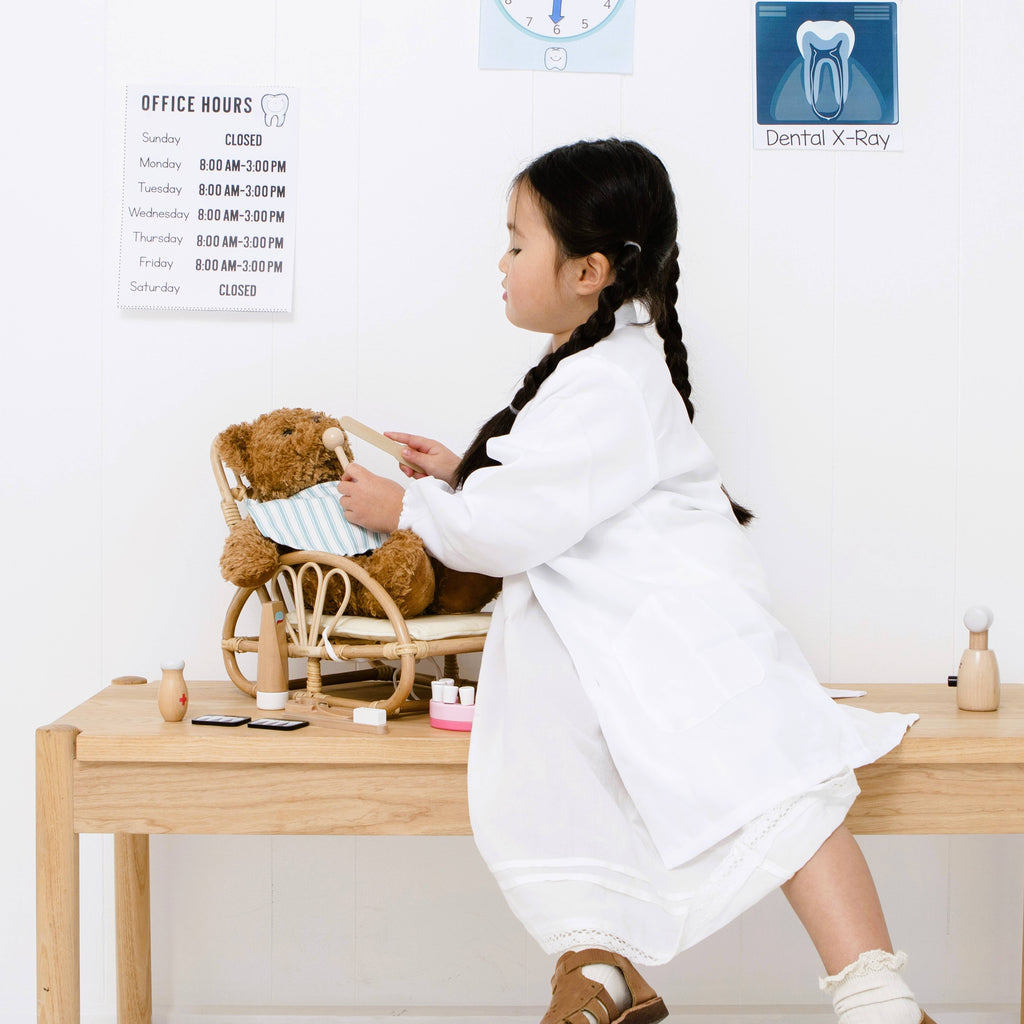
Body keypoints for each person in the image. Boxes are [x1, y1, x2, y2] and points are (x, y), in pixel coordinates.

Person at [336, 139, 936, 1024]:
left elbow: (516, 525)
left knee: (773, 781)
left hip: (673, 625)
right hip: (613, 627)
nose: (500, 262)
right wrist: (461, 474)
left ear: (586, 270)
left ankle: (874, 990)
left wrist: (409, 510)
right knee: (563, 764)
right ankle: (602, 971)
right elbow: (547, 493)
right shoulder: (592, 368)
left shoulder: (609, 382)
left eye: (515, 242)